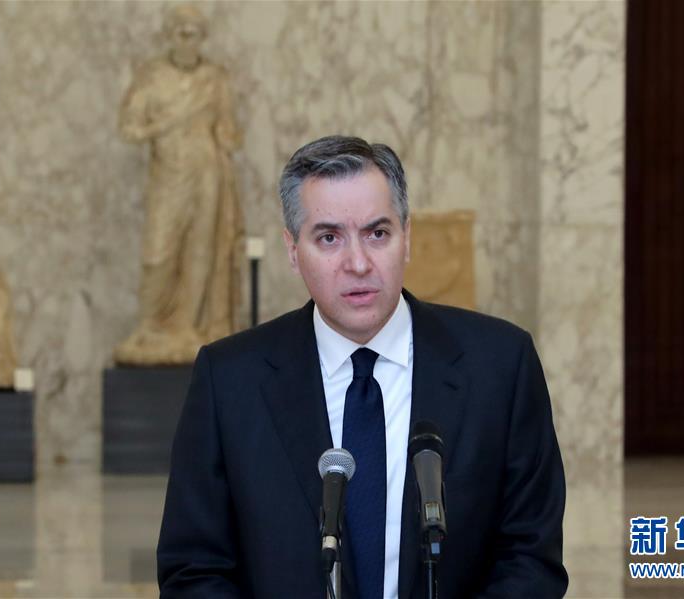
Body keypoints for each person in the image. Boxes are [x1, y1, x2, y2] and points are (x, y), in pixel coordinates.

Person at [157, 136, 568, 598]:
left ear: (406, 237)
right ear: (292, 250)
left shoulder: (501, 367)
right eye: (329, 238)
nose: (357, 263)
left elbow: (531, 558)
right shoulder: (230, 380)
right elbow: (193, 570)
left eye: (377, 234)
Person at [115, 5, 242, 365]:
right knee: (158, 253)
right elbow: (129, 128)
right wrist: (161, 126)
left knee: (201, 250)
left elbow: (228, 130)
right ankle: (149, 325)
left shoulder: (214, 79)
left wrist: (228, 136)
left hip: (207, 173)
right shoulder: (153, 77)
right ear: (169, 36)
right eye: (181, 33)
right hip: (168, 176)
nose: (188, 41)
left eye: (194, 34)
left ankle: (188, 326)